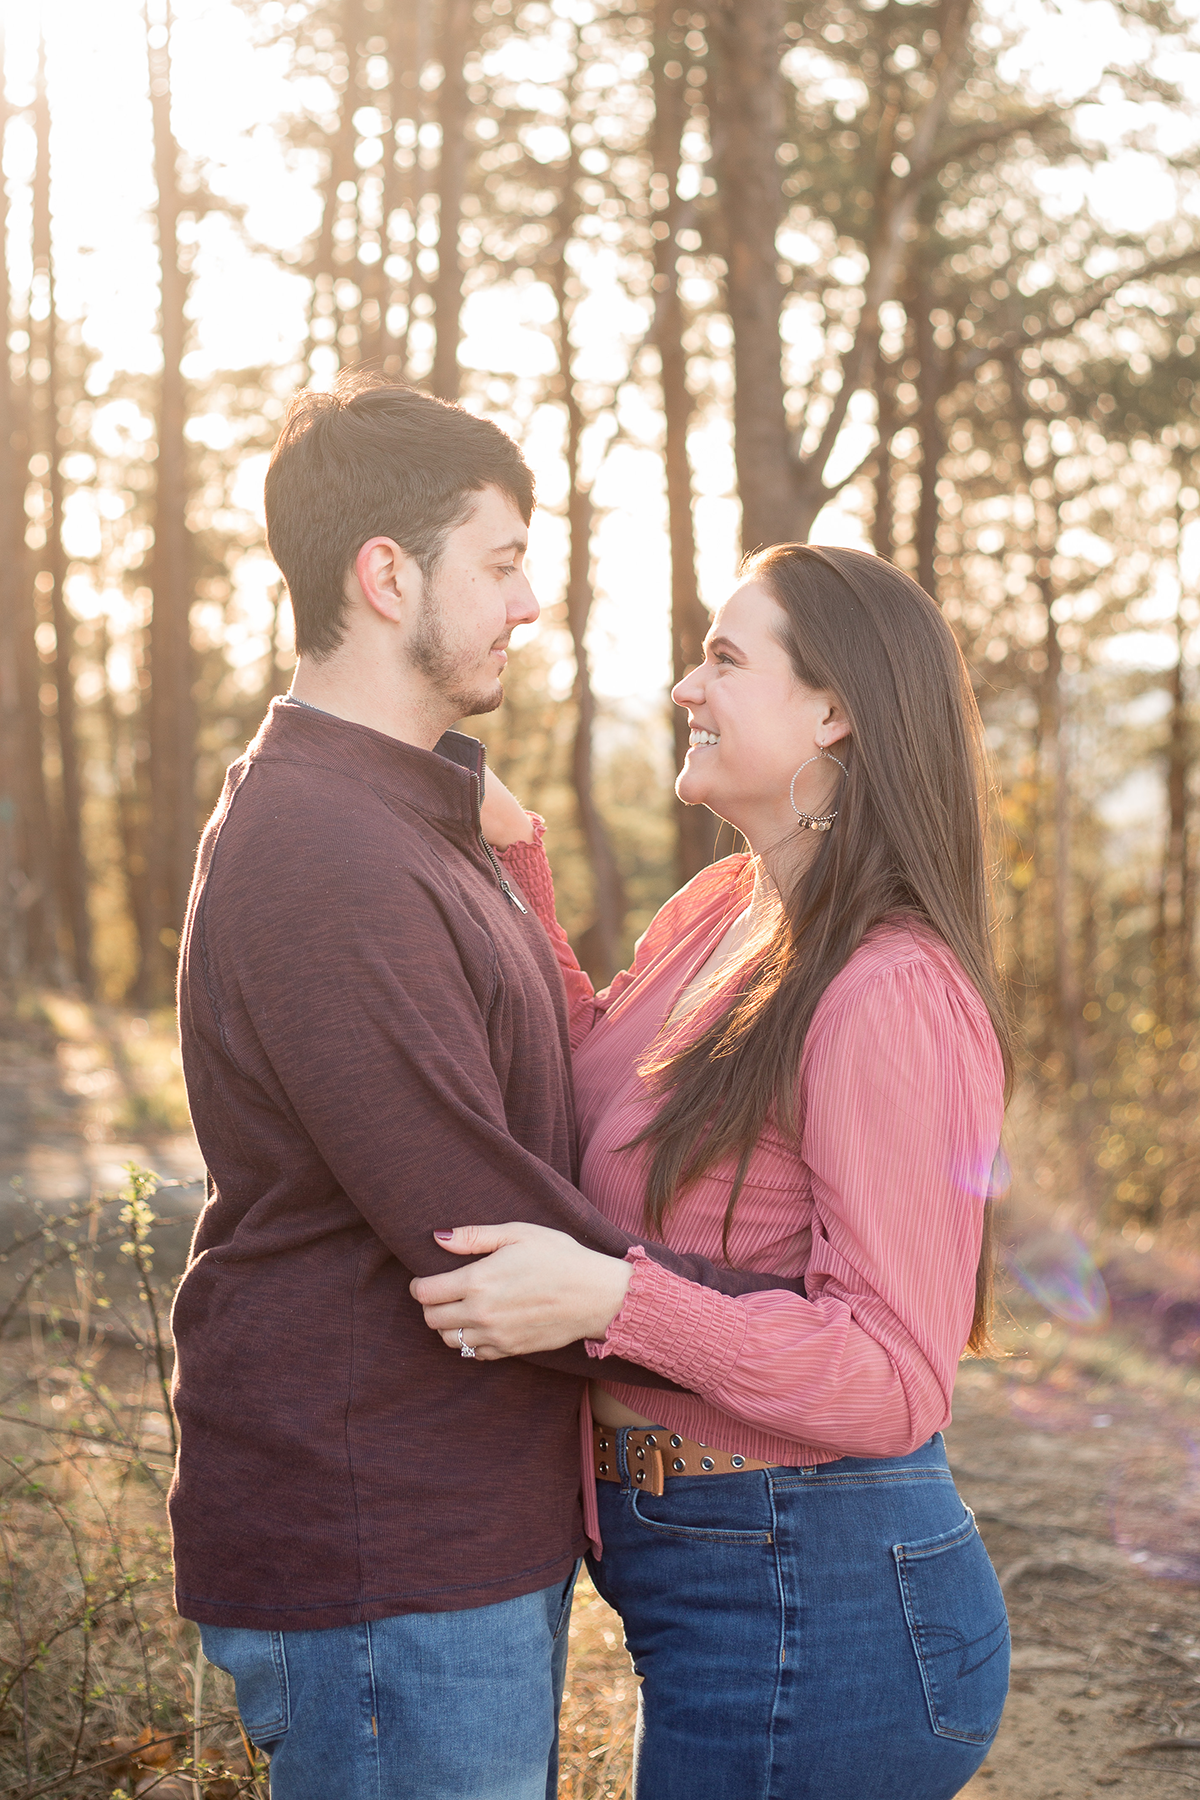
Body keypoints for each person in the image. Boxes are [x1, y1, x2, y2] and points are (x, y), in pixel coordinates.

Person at [170, 371, 804, 1800]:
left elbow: (552, 1097)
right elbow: (479, 1225)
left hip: (439, 1537)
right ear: (386, 577)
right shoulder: (324, 850)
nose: (528, 604)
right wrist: (795, 1333)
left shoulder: (407, 816)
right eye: (502, 564)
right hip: (377, 1541)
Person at [412, 543, 1013, 1800]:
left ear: (837, 712)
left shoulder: (889, 991)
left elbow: (899, 1371)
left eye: (725, 660)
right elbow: (594, 1086)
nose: (687, 687)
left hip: (821, 1602)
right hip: (726, 1582)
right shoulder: (723, 909)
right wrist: (516, 859)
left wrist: (614, 1300)